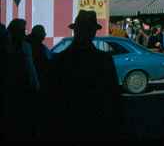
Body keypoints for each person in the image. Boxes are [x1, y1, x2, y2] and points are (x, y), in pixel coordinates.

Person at [45, 10, 122, 141]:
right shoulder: (103, 60)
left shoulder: (60, 60)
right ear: (93, 33)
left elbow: (51, 99)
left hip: (67, 126)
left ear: (75, 31)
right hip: (97, 125)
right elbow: (113, 98)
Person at [4, 19, 40, 141]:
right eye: (21, 31)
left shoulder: (26, 47)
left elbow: (31, 70)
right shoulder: (7, 49)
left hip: (25, 91)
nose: (24, 34)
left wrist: (35, 86)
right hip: (14, 92)